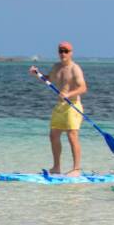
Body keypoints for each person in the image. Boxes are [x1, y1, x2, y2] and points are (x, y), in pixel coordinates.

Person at [29, 40, 87, 176]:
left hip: (73, 106)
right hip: (60, 106)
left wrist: (68, 94)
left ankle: (76, 169)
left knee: (72, 136)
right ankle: (56, 167)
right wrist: (38, 74)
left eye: (66, 51)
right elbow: (49, 79)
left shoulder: (75, 69)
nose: (63, 53)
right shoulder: (56, 67)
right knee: (53, 135)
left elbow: (83, 88)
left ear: (71, 53)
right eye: (61, 51)